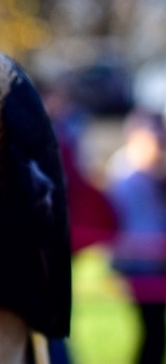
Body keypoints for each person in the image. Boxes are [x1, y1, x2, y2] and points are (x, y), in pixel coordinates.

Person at [108, 110, 166, 364]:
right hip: (140, 262)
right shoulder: (126, 174)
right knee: (153, 327)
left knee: (154, 329)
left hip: (155, 258)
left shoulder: (153, 171)